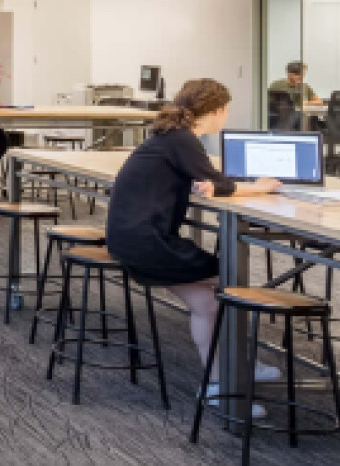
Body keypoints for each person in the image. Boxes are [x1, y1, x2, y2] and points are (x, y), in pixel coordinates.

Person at [105, 78, 284, 393]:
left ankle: (221, 380)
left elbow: (205, 179)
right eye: (227, 110)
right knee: (230, 282)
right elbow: (217, 180)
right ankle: (235, 368)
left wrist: (206, 182)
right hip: (149, 244)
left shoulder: (169, 136)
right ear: (217, 110)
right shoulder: (183, 139)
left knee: (207, 303)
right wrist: (259, 187)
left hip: (129, 238)